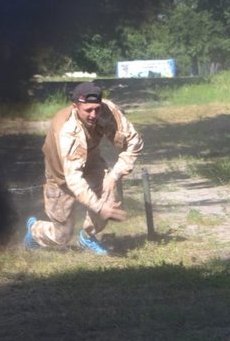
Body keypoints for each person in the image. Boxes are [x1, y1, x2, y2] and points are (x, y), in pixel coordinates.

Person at [23, 82, 144, 255]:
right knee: (62, 235)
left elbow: (134, 143)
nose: (94, 115)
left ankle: (87, 237)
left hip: (92, 162)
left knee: (109, 198)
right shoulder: (67, 132)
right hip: (62, 175)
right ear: (75, 106)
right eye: (88, 110)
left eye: (97, 108)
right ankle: (35, 230)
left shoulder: (107, 110)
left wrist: (113, 176)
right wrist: (99, 208)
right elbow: (74, 180)